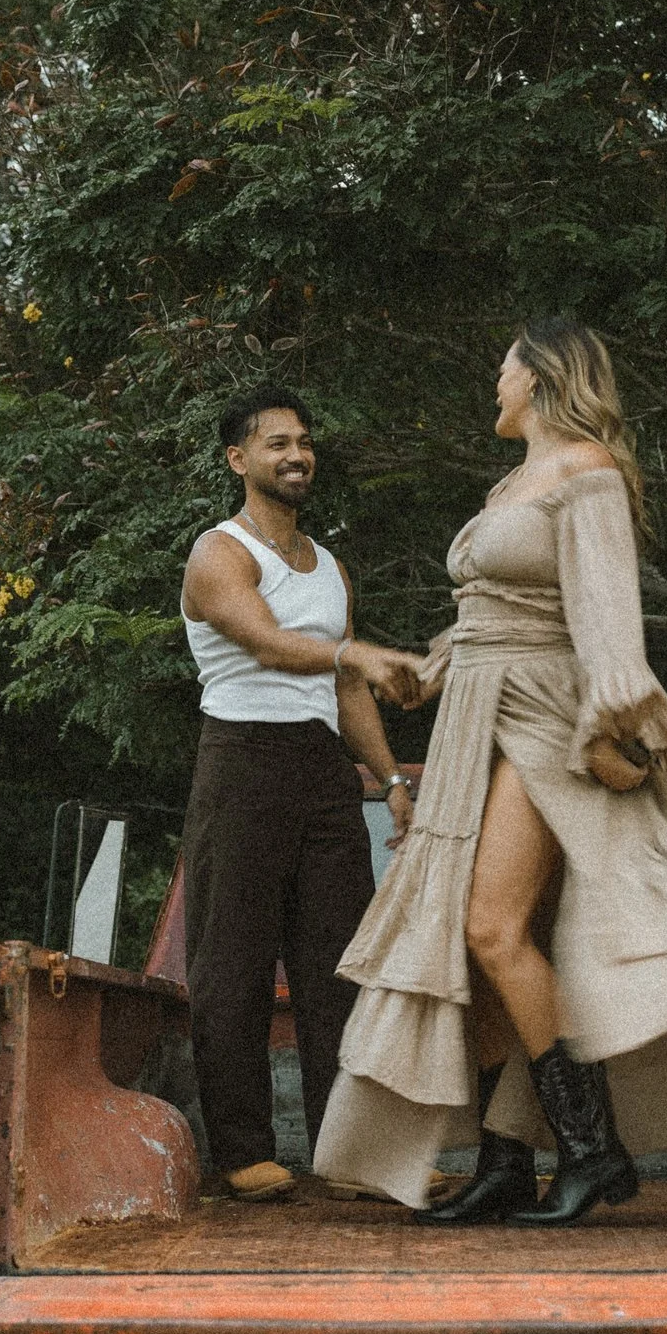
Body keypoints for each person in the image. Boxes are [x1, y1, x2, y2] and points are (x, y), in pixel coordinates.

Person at [312, 317, 667, 1225]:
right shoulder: (512, 481)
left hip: (548, 722)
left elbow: (604, 613)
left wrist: (613, 721)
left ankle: (593, 1151)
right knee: (472, 948)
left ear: (544, 376)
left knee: (490, 927)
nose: (495, 385)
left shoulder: (587, 470)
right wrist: (421, 670)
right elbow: (491, 616)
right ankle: (506, 1161)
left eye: (503, 369)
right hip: (479, 716)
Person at [180, 384, 426, 1201]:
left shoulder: (329, 567)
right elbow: (270, 644)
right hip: (241, 763)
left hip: (324, 773)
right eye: (276, 442)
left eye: (304, 442)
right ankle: (245, 1150)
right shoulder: (218, 552)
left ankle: (342, 1148)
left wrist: (388, 779)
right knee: (233, 965)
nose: (296, 455)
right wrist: (354, 655)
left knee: (337, 969)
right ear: (238, 459)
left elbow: (343, 690)